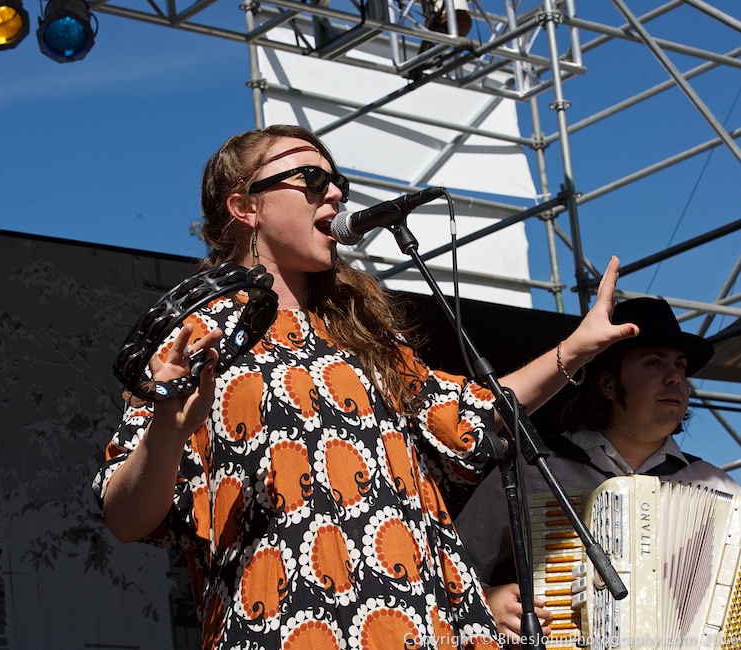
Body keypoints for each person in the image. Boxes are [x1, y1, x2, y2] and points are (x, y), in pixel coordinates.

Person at [91, 124, 634, 650]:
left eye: (338, 184)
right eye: (309, 179)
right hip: (286, 624)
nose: (333, 195)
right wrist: (166, 427)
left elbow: (471, 418)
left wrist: (578, 347)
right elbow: (125, 514)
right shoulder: (197, 331)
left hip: (419, 622)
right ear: (245, 207)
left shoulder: (360, 328)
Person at [456, 296, 741, 645]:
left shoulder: (722, 492)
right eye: (654, 362)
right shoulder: (538, 469)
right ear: (608, 384)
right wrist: (484, 602)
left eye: (680, 366)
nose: (674, 378)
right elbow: (447, 568)